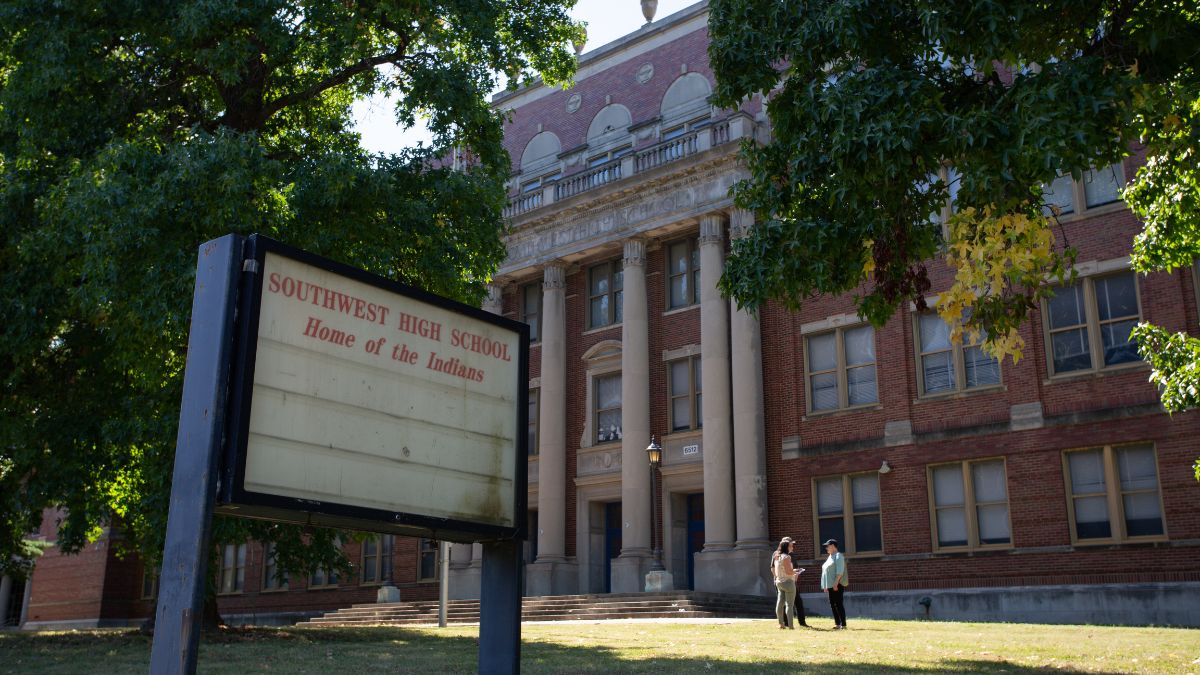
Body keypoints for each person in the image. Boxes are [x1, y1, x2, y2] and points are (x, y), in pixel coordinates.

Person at [771, 537, 802, 629]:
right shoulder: (787, 557)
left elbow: (776, 570)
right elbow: (789, 572)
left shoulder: (777, 556)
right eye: (791, 546)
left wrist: (793, 570)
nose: (792, 548)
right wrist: (797, 571)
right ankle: (791, 626)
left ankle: (781, 624)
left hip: (779, 582)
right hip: (788, 582)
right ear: (786, 547)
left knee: (780, 604)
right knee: (789, 604)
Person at [820, 538, 848, 629]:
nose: (826, 548)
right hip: (830, 585)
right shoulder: (830, 557)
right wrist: (825, 585)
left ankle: (843, 625)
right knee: (833, 604)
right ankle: (837, 624)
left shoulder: (838, 556)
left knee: (838, 604)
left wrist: (836, 583)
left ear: (832, 546)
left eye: (827, 546)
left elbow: (840, 571)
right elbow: (826, 571)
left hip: (837, 584)